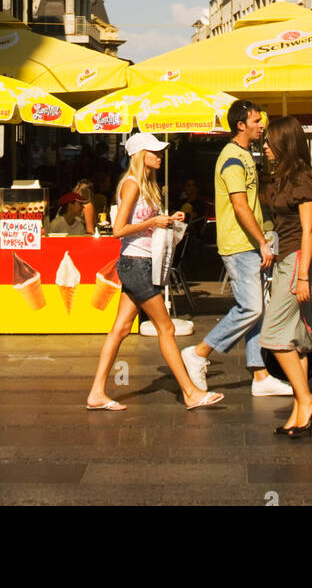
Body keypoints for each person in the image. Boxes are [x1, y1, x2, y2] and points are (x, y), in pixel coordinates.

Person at [86, 132, 223, 412]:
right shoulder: (133, 184)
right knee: (167, 327)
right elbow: (118, 230)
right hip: (137, 263)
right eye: (155, 152)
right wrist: (154, 220)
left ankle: (97, 393)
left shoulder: (145, 184)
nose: (160, 156)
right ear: (141, 155)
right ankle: (190, 392)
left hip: (139, 262)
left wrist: (168, 220)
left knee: (121, 329)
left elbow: (141, 225)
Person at [181, 101, 293, 400]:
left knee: (259, 311)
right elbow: (239, 205)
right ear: (240, 125)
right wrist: (262, 241)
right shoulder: (232, 158)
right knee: (252, 308)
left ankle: (260, 375)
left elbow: (253, 202)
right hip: (240, 245)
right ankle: (198, 352)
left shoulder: (246, 155)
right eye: (256, 120)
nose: (261, 125)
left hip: (249, 243)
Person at [258, 116, 312, 435]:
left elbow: (308, 229)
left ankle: (306, 399)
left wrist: (301, 276)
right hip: (288, 258)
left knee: (272, 335)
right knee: (297, 340)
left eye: (270, 142)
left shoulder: (302, 178)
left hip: (299, 261)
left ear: (284, 144)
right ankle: (299, 412)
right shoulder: (284, 178)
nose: (265, 146)